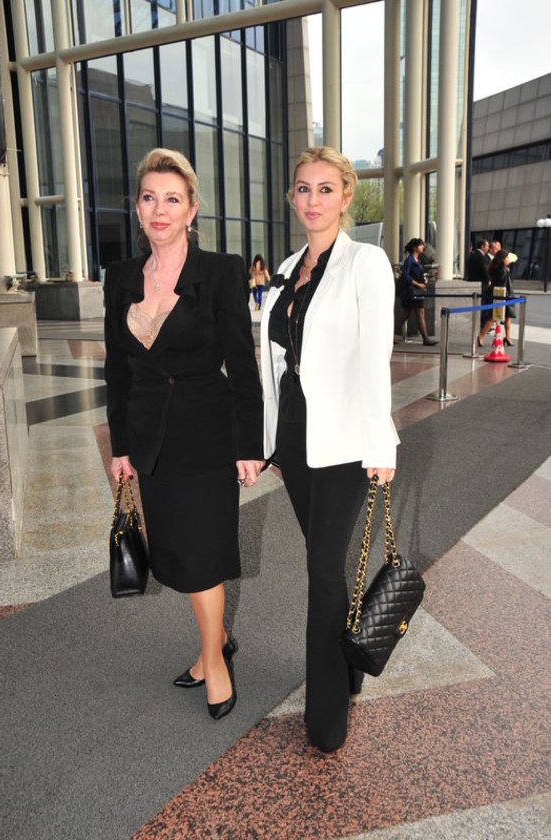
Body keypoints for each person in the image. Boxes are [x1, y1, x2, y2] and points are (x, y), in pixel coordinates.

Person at [104, 148, 265, 721]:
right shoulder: (121, 277)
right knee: (176, 552)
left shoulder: (220, 271)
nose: (160, 209)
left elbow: (242, 365)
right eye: (149, 198)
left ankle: (214, 660)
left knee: (203, 555)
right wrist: (121, 446)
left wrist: (249, 445)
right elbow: (118, 371)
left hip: (207, 435)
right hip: (151, 440)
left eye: (172, 199)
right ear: (137, 207)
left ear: (192, 210)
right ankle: (212, 643)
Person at [260, 146, 400, 753]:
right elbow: (275, 359)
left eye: (325, 189)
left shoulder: (365, 262)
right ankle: (346, 671)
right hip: (296, 439)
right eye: (303, 188)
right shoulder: (287, 268)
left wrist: (379, 442)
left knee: (321, 573)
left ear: (345, 197)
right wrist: (266, 440)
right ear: (292, 197)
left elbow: (374, 357)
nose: (312, 200)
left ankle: (326, 720)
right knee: (325, 561)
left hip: (343, 441)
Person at [394, 238, 438, 345]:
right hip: (411, 291)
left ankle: (390, 335)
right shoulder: (410, 260)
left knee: (406, 314)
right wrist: (418, 284)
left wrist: (424, 280)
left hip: (415, 291)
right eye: (420, 245)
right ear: (415, 248)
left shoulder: (418, 261)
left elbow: (417, 274)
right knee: (419, 313)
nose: (423, 247)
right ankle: (425, 339)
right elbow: (406, 275)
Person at [478, 248, 514, 346]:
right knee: (494, 317)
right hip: (503, 296)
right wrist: (507, 272)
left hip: (502, 295)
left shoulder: (496, 267)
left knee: (507, 316)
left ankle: (508, 337)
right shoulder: (502, 270)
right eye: (507, 258)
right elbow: (502, 284)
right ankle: (481, 336)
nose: (508, 260)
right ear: (503, 259)